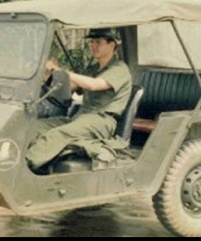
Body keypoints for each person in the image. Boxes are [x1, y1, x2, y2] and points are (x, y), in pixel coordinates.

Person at [26, 28, 132, 172]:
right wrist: (48, 75)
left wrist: (60, 71)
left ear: (112, 45)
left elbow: (93, 85)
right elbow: (71, 88)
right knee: (34, 126)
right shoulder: (93, 69)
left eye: (98, 42)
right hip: (80, 117)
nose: (93, 46)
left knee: (57, 134)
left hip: (101, 121)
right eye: (92, 42)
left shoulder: (119, 69)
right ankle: (12, 161)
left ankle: (25, 169)